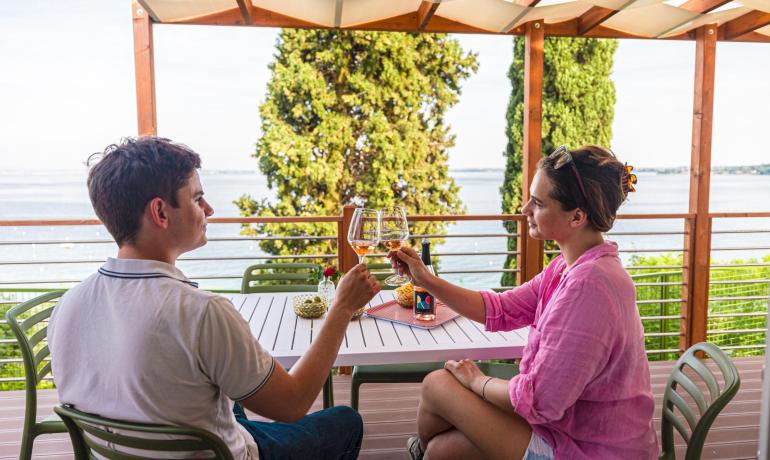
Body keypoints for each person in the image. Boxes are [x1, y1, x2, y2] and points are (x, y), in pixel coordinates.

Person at [48, 137, 381, 460]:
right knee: (345, 421)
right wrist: (342, 308)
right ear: (160, 212)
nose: (209, 208)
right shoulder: (202, 313)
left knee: (229, 395)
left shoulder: (68, 306)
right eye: (197, 198)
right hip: (220, 453)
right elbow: (293, 404)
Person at [391, 145, 658, 460]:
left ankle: (419, 453)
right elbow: (501, 310)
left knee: (438, 385)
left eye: (538, 202)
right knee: (441, 450)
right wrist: (427, 281)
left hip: (594, 450)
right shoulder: (569, 267)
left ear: (577, 217)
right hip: (564, 429)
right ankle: (421, 453)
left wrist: (478, 381)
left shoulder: (590, 287)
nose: (524, 208)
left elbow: (540, 400)